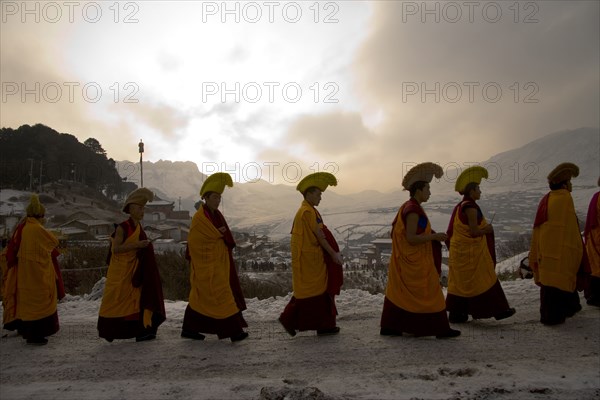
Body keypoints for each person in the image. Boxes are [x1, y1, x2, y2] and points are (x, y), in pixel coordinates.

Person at [380, 162, 460, 339]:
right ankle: (440, 328)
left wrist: (431, 234)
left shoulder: (410, 206)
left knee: (401, 294)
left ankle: (391, 326)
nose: (430, 193)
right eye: (428, 188)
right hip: (414, 262)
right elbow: (411, 238)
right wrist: (433, 237)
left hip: (410, 260)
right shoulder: (412, 211)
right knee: (431, 292)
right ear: (418, 190)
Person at [181, 173, 249, 342]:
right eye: (214, 197)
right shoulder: (199, 218)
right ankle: (235, 331)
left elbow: (224, 237)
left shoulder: (216, 215)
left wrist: (218, 236)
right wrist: (216, 235)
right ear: (205, 198)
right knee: (222, 293)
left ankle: (189, 328)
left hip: (218, 262)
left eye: (219, 197)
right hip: (206, 264)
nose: (218, 200)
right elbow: (195, 242)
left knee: (201, 298)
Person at [445, 166, 516, 323]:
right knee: (486, 278)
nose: (480, 192)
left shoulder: (460, 206)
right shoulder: (470, 208)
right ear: (472, 191)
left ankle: (458, 314)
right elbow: (473, 232)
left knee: (460, 283)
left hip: (461, 252)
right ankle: (499, 310)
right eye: (478, 188)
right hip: (472, 254)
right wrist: (487, 229)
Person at [279, 172, 344, 337]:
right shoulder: (307, 212)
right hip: (309, 261)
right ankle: (289, 319)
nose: (320, 198)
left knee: (317, 292)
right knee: (311, 292)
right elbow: (320, 236)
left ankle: (324, 325)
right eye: (318, 194)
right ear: (308, 194)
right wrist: (333, 253)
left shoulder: (309, 210)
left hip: (310, 260)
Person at [98, 188, 166, 342]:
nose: (142, 211)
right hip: (121, 271)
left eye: (143, 208)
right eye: (139, 208)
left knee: (135, 303)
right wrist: (137, 245)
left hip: (134, 269)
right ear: (130, 209)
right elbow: (116, 249)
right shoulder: (123, 227)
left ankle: (139, 330)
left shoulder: (139, 228)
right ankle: (109, 330)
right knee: (116, 300)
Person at [529, 163, 585, 325]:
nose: (571, 185)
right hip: (561, 245)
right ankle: (553, 316)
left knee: (551, 279)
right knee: (562, 276)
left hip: (546, 246)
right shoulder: (565, 197)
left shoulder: (548, 198)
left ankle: (568, 307)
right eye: (569, 182)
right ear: (564, 184)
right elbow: (569, 225)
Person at [3, 194, 63, 345]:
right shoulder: (36, 228)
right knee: (39, 302)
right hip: (37, 273)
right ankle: (36, 335)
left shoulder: (23, 227)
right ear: (39, 216)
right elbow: (53, 242)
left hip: (25, 271)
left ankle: (27, 331)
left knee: (28, 302)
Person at [583, 177, 600, 307]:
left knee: (595, 268)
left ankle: (593, 295)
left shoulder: (596, 196)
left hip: (593, 237)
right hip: (597, 237)